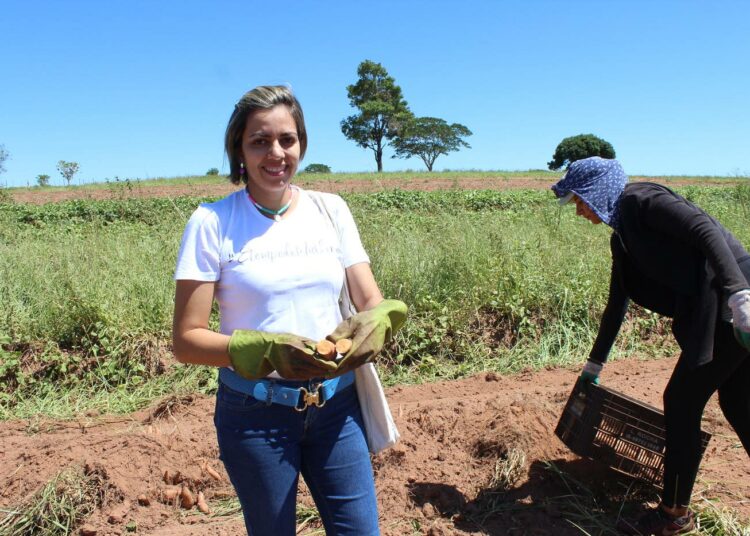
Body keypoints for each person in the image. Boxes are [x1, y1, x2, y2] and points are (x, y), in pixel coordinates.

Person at [172, 85, 407, 536]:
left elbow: (368, 299)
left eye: (287, 139)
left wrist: (376, 322)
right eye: (259, 141)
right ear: (238, 150)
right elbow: (187, 340)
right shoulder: (212, 223)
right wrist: (265, 351)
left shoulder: (330, 210)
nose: (275, 153)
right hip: (255, 414)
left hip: (336, 408)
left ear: (301, 143)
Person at [551, 157, 750, 535]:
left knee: (681, 400)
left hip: (734, 300)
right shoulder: (623, 238)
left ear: (599, 190)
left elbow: (704, 230)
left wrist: (740, 294)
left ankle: (674, 515)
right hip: (723, 304)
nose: (578, 209)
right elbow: (617, 303)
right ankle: (676, 512)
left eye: (580, 199)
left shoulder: (642, 200)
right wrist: (594, 365)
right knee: (738, 403)